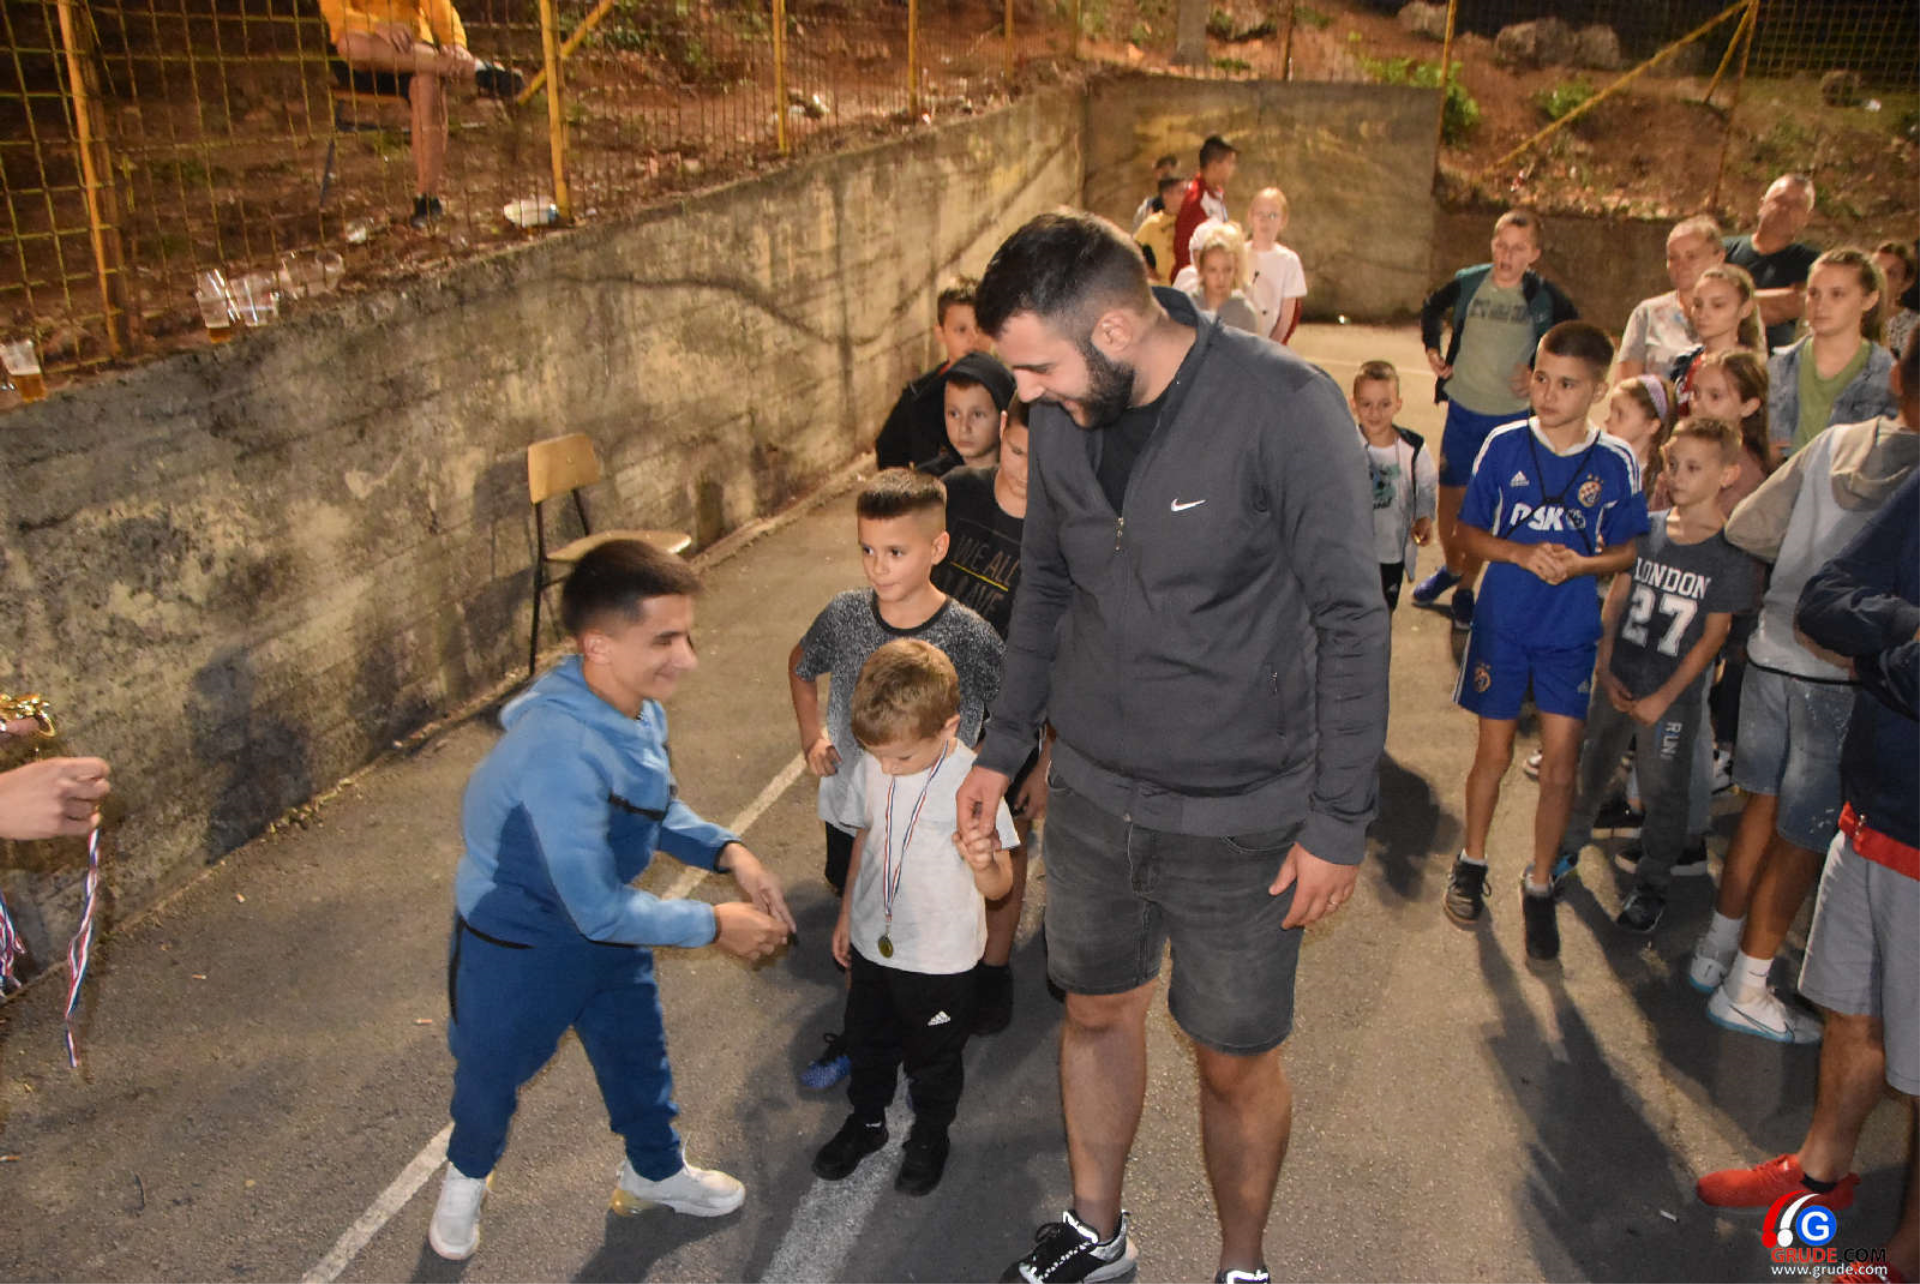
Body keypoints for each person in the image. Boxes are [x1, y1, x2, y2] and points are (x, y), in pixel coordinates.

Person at [960, 211, 1389, 1284]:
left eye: (1037, 367)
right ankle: (1097, 1232)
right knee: (1096, 1012)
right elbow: (1046, 586)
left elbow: (1351, 619)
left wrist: (1339, 820)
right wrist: (1001, 748)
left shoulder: (1284, 407)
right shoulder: (1064, 416)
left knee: (1235, 1063)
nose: (1024, 396)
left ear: (1114, 331)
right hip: (1095, 796)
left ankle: (1242, 1266)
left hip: (1245, 818)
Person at [427, 539, 795, 1262]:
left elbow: (650, 808)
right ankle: (465, 1180)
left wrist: (729, 852)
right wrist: (714, 923)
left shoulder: (633, 707)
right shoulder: (559, 751)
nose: (686, 658)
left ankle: (654, 1172)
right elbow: (593, 908)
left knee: (636, 1054)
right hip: (520, 946)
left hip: (607, 924)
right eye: (664, 640)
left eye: (687, 636)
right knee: (490, 1078)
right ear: (597, 644)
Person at [1694, 451, 1920, 1284]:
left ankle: (1905, 1260)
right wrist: (1907, 629)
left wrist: (1876, 656)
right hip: (1873, 810)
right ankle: (1820, 1173)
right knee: (1851, 1013)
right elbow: (1824, 599)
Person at [1690, 339, 1920, 1043]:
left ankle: (1714, 950)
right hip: (1839, 676)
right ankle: (1748, 985)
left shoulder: (1832, 443)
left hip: (1771, 651)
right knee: (1806, 836)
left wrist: (1799, 562)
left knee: (1760, 809)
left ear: (1898, 376)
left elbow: (1749, 523)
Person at [788, 469, 1004, 1087]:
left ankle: (928, 1029)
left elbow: (1014, 710)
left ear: (938, 548)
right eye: (867, 549)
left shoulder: (969, 634)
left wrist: (984, 773)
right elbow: (801, 664)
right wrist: (812, 736)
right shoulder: (844, 615)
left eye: (895, 552)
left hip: (937, 827)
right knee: (863, 923)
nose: (877, 567)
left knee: (925, 932)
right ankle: (863, 1034)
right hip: (858, 813)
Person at [1443, 321, 1648, 966]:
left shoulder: (1615, 461)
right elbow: (1467, 534)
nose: (1549, 393)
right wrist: (1519, 553)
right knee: (1494, 753)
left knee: (1561, 765)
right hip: (1504, 624)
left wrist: (1581, 564)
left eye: (1567, 384)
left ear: (1597, 390)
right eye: (1542, 378)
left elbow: (1628, 549)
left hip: (1568, 633)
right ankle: (1472, 861)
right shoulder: (1504, 445)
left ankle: (1538, 883)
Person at [810, 639, 1019, 1196]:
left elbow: (1001, 886)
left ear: (948, 727)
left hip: (940, 960)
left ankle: (930, 1133)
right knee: (867, 1042)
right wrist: (847, 913)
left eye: (900, 759)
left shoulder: (974, 783)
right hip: (875, 941)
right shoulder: (879, 758)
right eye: (876, 756)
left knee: (934, 1059)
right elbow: (866, 836)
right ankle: (868, 1122)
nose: (886, 768)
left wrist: (983, 863)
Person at [1554, 417, 1755, 933]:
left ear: (1727, 474)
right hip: (1618, 678)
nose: (1678, 476)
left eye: (1694, 468)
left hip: (1670, 697)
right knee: (1592, 768)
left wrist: (1664, 697)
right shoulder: (1647, 526)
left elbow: (1712, 638)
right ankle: (1567, 849)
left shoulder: (1730, 553)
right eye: (1673, 464)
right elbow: (1617, 598)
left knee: (1664, 791)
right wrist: (1604, 664)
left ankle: (1652, 884)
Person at [930, 401, 1049, 1034]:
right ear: (1003, 429)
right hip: (934, 710)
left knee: (1005, 838)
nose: (1028, 470)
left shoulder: (1064, 527)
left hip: (1012, 720)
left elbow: (1069, 654)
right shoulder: (957, 494)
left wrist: (1048, 759)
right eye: (1020, 450)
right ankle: (930, 962)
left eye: (1046, 459)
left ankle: (993, 970)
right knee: (929, 834)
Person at [1413, 209, 1580, 631]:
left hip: (1508, 421)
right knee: (1449, 505)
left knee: (1483, 508)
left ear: (1534, 254)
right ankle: (1452, 567)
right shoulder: (1470, 282)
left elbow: (1572, 334)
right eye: (1501, 245)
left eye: (1518, 249)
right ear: (1491, 244)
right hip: (1463, 409)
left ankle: (1467, 587)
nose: (1507, 256)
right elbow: (1431, 307)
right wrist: (1433, 349)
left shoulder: (1542, 296)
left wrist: (1538, 371)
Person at [319, 0, 524, 228]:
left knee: (428, 84)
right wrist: (379, 26)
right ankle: (473, 70)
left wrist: (455, 43)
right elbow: (337, 14)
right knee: (351, 44)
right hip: (364, 53)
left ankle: (427, 199)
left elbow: (439, 6)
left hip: (412, 50)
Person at [1768, 247, 1898, 460]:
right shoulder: (1779, 367)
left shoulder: (1888, 375)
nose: (1821, 305)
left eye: (1837, 294)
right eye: (1813, 293)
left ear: (1869, 299)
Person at [874, 277, 994, 472]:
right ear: (940, 333)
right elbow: (888, 450)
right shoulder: (919, 396)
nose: (973, 338)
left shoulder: (1011, 392)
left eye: (981, 328)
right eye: (961, 330)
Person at [1351, 359, 1436, 611]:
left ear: (1398, 404)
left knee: (1383, 611)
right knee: (1350, 612)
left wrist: (1424, 517)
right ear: (1353, 404)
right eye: (1366, 404)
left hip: (1391, 551)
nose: (1375, 413)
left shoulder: (1413, 447)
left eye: (1384, 404)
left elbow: (1426, 484)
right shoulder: (1344, 445)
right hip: (1352, 551)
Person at [1616, 215, 1725, 382]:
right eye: (1673, 258)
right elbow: (1626, 385)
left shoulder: (1736, 313)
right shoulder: (1647, 314)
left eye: (1691, 256)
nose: (1681, 266)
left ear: (1718, 258)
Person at [1724, 173, 1820, 352]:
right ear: (1761, 205)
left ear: (1807, 217)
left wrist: (1724, 304)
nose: (1785, 209)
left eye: (1797, 205)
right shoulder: (1723, 250)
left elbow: (1794, 303)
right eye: (1779, 200)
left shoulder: (1813, 264)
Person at [1669, 263, 1764, 413]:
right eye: (1698, 305)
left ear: (1745, 309)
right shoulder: (1684, 362)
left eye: (1718, 305)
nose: (1703, 314)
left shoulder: (1748, 371)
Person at [923, 351, 1016, 478]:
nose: (963, 428)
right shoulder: (927, 481)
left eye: (977, 414)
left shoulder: (1024, 480)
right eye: (954, 414)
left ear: (1003, 419)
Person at [1245, 187, 1307, 346]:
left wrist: (1269, 348)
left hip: (1269, 346)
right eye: (1260, 214)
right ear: (1250, 216)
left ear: (1283, 221)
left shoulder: (1289, 261)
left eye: (1273, 215)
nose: (1265, 221)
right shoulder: (1238, 254)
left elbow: (1286, 319)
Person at [1171, 135, 1237, 277]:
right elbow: (1185, 249)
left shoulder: (1217, 194)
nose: (1233, 168)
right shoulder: (1196, 200)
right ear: (1214, 165)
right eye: (1230, 163)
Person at [1183, 221, 1262, 335]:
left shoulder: (1245, 313)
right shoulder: (1188, 307)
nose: (1220, 278)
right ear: (1201, 271)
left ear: (1235, 270)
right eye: (1212, 270)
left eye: (1227, 270)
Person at [1132, 174, 1187, 282]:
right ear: (1166, 195)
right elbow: (1133, 247)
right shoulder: (1152, 223)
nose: (1184, 196)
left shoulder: (1189, 221)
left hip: (1184, 286)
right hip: (1161, 286)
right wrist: (1149, 271)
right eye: (1180, 192)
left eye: (1184, 192)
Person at [1876, 239, 1918, 364]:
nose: (1879, 278)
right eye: (1875, 269)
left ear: (1905, 284)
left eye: (1890, 274)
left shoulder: (1914, 328)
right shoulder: (1841, 315)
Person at [1130, 153, 1181, 232]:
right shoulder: (1145, 209)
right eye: (1165, 175)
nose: (1168, 181)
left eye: (1170, 174)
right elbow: (1136, 236)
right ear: (1156, 173)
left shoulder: (1189, 206)